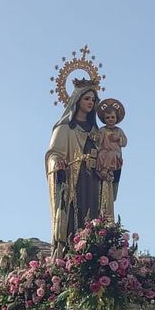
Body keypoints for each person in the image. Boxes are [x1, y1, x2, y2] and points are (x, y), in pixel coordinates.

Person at [45, 82, 104, 250]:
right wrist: (57, 162)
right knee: (73, 216)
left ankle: (93, 251)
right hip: (73, 181)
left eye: (93, 99)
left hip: (93, 181)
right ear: (77, 100)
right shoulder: (65, 128)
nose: (90, 102)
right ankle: (71, 251)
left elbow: (106, 153)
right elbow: (53, 153)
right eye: (87, 98)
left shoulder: (97, 132)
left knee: (95, 216)